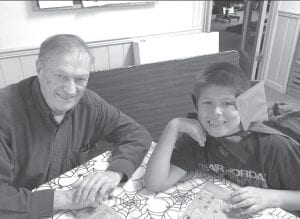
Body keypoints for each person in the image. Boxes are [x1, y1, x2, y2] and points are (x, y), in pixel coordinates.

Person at [0, 34, 152, 218]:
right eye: (60, 76)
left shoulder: (90, 104)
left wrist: (115, 172)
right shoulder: (5, 112)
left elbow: (136, 134)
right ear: (39, 68)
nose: (71, 91)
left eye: (80, 79)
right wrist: (69, 198)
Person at [145, 62, 300, 216]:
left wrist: (272, 197)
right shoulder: (196, 139)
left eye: (227, 103)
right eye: (207, 103)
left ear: (244, 105)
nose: (216, 112)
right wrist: (173, 127)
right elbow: (155, 183)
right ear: (196, 105)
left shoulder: (273, 146)